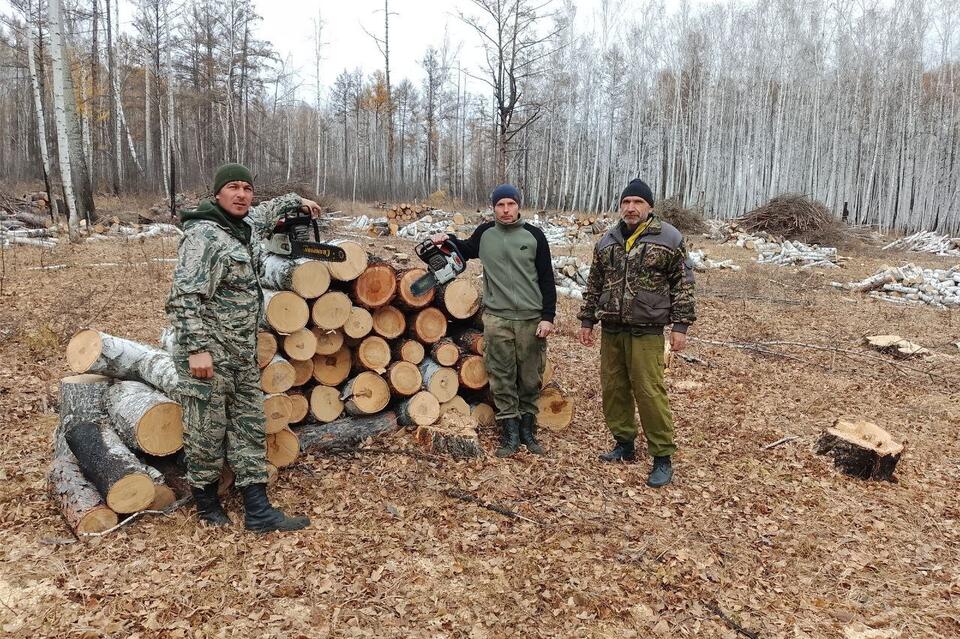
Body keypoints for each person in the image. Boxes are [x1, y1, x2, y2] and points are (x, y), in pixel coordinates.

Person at [166, 163, 321, 531]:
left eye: (247, 188)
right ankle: (207, 505)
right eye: (233, 187)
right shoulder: (203, 236)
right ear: (217, 194)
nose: (241, 195)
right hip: (209, 355)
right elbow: (183, 298)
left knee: (249, 426)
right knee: (205, 431)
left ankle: (258, 510)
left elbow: (268, 211)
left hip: (242, 353)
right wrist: (197, 350)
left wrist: (297, 200)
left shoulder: (244, 226)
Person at [576, 178, 696, 487]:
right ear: (620, 206)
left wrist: (680, 326)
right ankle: (624, 444)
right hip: (612, 329)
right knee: (614, 388)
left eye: (638, 202)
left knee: (648, 390)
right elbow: (594, 284)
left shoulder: (669, 238)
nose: (631, 208)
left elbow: (683, 283)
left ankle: (662, 456)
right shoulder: (607, 241)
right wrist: (587, 321)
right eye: (626, 202)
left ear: (650, 207)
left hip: (647, 329)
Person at [431, 184, 557, 457]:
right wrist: (446, 239)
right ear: (493, 207)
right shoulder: (485, 234)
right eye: (500, 205)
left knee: (530, 377)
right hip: (497, 318)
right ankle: (509, 434)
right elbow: (463, 248)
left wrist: (548, 316)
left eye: (510, 204)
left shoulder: (534, 236)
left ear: (519, 205)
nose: (506, 210)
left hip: (530, 318)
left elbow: (547, 278)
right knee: (501, 377)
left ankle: (528, 431)